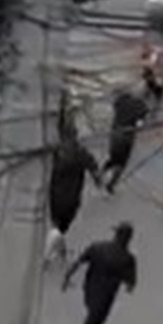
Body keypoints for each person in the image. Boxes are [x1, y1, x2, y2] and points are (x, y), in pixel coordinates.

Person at [48, 222, 138, 324]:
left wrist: (67, 278)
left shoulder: (98, 247)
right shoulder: (128, 260)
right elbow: (131, 287)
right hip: (103, 304)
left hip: (88, 293)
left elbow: (78, 262)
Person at [47, 108, 100, 265]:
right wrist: (99, 182)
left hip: (54, 195)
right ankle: (50, 252)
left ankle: (59, 250)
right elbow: (95, 170)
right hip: (72, 198)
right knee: (61, 227)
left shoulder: (55, 151)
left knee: (57, 224)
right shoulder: (81, 153)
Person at [102, 88, 151, 194]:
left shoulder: (120, 101)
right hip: (127, 136)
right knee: (121, 163)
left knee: (113, 158)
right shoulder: (141, 105)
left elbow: (115, 106)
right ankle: (111, 184)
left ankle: (100, 174)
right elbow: (142, 121)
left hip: (115, 133)